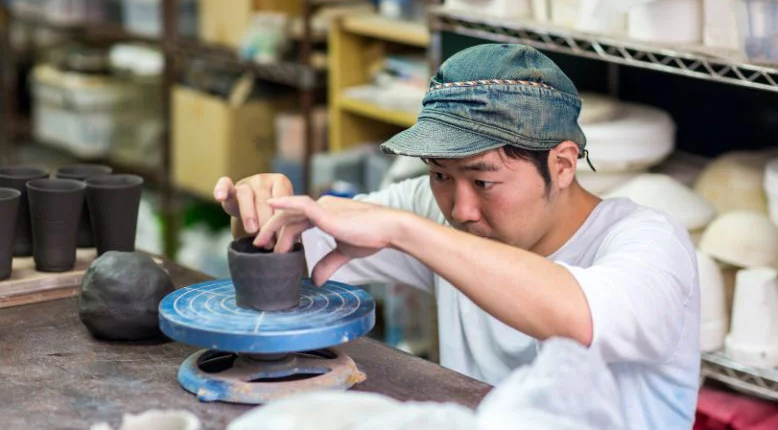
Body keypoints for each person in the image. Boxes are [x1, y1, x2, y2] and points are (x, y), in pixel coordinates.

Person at [214, 44, 700, 429]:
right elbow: (287, 255)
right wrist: (257, 211)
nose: (461, 209)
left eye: (484, 181)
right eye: (440, 175)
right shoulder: (435, 210)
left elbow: (580, 318)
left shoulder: (650, 242)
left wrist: (405, 230)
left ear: (563, 164)